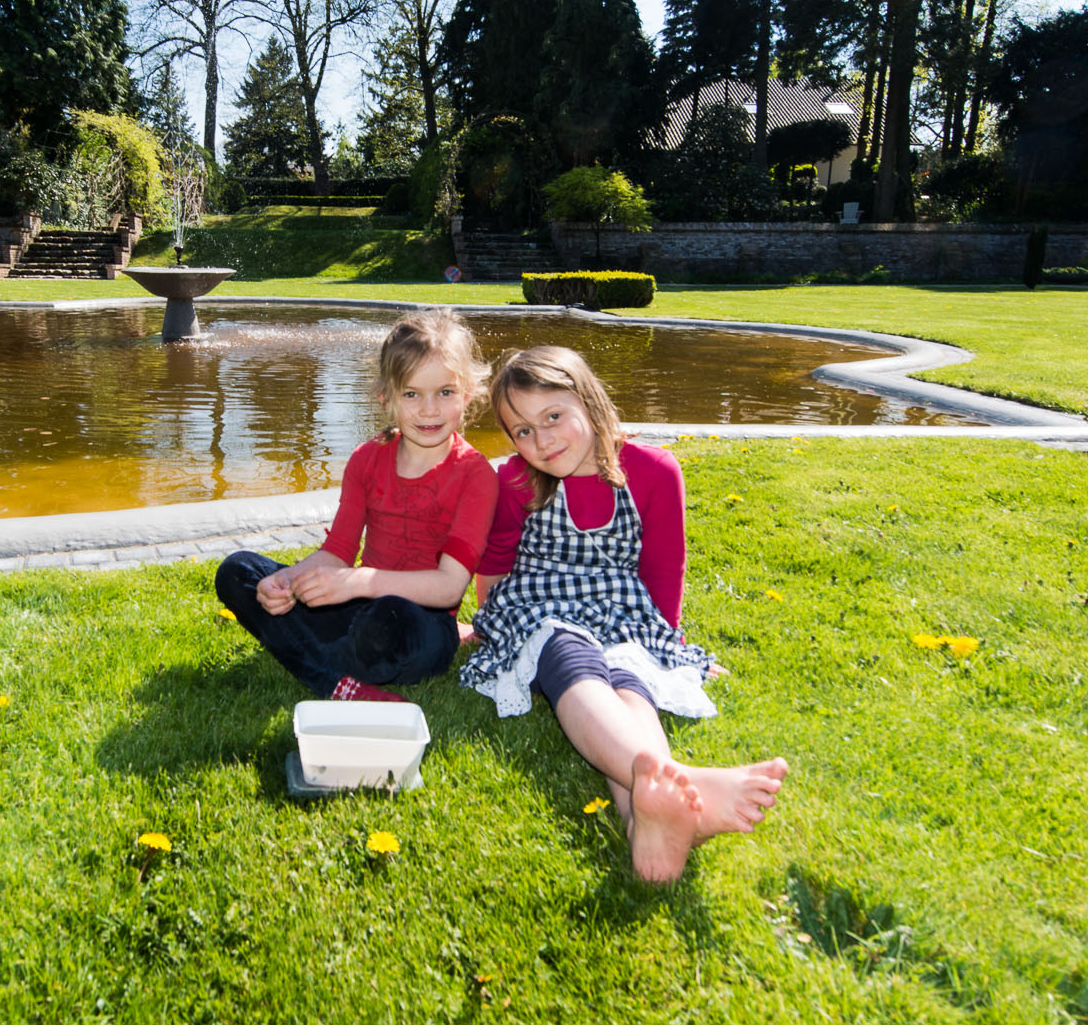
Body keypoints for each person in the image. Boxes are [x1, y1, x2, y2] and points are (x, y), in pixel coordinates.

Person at [459, 345, 788, 883]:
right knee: (571, 659)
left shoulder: (653, 470)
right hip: (543, 608)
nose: (541, 441)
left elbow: (663, 569)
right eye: (521, 431)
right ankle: (674, 782)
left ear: (588, 402)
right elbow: (496, 559)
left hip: (621, 611)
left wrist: (670, 648)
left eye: (553, 418)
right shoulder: (517, 481)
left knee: (632, 678)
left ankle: (647, 820)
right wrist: (488, 624)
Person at [215, 310, 498, 703]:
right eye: (411, 394)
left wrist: (359, 582)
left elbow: (450, 587)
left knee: (383, 627)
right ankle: (337, 680)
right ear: (386, 396)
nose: (429, 409)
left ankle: (313, 660)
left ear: (467, 393)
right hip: (357, 606)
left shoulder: (475, 474)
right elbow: (338, 552)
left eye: (445, 392)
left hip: (419, 622)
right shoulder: (367, 459)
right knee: (239, 570)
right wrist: (288, 581)